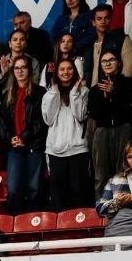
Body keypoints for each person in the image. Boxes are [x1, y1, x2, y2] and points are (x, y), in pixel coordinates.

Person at [0, 55, 47, 213]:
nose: (20, 71)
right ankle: (14, 229)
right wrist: (11, 138)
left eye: (23, 68)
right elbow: (3, 124)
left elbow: (41, 121)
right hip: (14, 148)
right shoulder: (7, 95)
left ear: (30, 70)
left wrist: (24, 137)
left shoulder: (40, 93)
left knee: (35, 188)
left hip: (34, 145)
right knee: (13, 189)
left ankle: (35, 224)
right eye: (16, 68)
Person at [42, 58, 92, 211]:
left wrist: (75, 94)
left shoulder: (84, 91)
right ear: (56, 73)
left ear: (75, 71)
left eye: (69, 69)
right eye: (62, 69)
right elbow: (48, 119)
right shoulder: (49, 94)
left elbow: (81, 116)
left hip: (78, 150)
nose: (66, 72)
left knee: (78, 193)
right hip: (55, 151)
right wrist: (54, 91)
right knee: (58, 197)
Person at [89, 52, 132, 195]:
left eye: (111, 60)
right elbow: (95, 114)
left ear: (119, 63)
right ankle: (103, 207)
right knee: (101, 174)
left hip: (124, 129)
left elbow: (131, 108)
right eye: (104, 61)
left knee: (124, 171)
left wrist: (114, 93)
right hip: (102, 131)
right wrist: (106, 97)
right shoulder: (94, 90)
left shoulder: (129, 84)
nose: (108, 63)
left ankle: (125, 206)